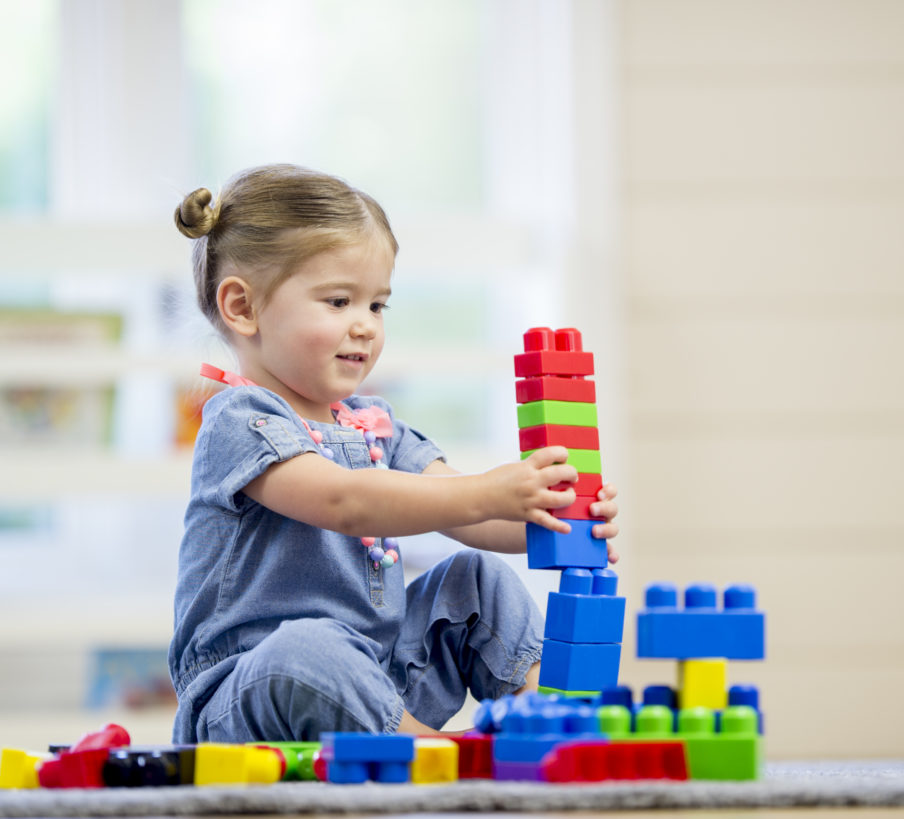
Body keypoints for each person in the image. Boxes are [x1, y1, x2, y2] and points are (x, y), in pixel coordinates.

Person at [167, 164, 619, 743]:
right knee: (311, 646)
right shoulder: (241, 421)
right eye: (338, 301)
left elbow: (473, 515)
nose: (365, 327)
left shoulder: (373, 425)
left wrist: (550, 514)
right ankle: (437, 756)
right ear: (242, 308)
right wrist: (490, 489)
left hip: (376, 673)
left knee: (476, 578)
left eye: (377, 306)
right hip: (252, 692)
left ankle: (552, 722)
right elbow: (345, 501)